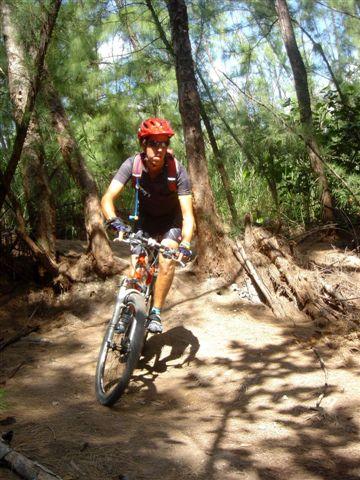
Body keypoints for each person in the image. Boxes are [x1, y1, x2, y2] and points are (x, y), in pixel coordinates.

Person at [101, 117, 195, 334]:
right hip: (144, 219)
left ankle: (156, 312)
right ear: (144, 145)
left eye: (164, 143)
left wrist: (186, 243)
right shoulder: (131, 165)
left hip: (171, 220)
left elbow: (188, 215)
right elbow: (108, 198)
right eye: (154, 143)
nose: (160, 149)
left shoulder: (177, 171)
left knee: (167, 259)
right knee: (137, 266)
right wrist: (114, 221)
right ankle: (130, 310)